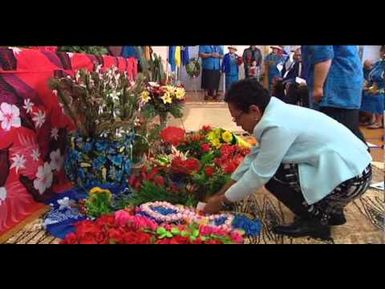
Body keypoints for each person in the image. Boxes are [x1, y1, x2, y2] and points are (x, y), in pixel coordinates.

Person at [203, 79, 372, 239]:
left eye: (237, 117)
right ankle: (330, 211)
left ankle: (315, 222)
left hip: (351, 180)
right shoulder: (273, 111)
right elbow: (251, 159)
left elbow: (259, 174)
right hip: (355, 172)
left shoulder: (276, 125)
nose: (237, 123)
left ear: (254, 110)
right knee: (273, 164)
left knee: (274, 173)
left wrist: (222, 202)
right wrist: (220, 194)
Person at [301, 45, 366, 144]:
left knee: (339, 134)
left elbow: (324, 56)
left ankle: (363, 158)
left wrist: (318, 86)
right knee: (349, 130)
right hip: (346, 85)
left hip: (334, 88)